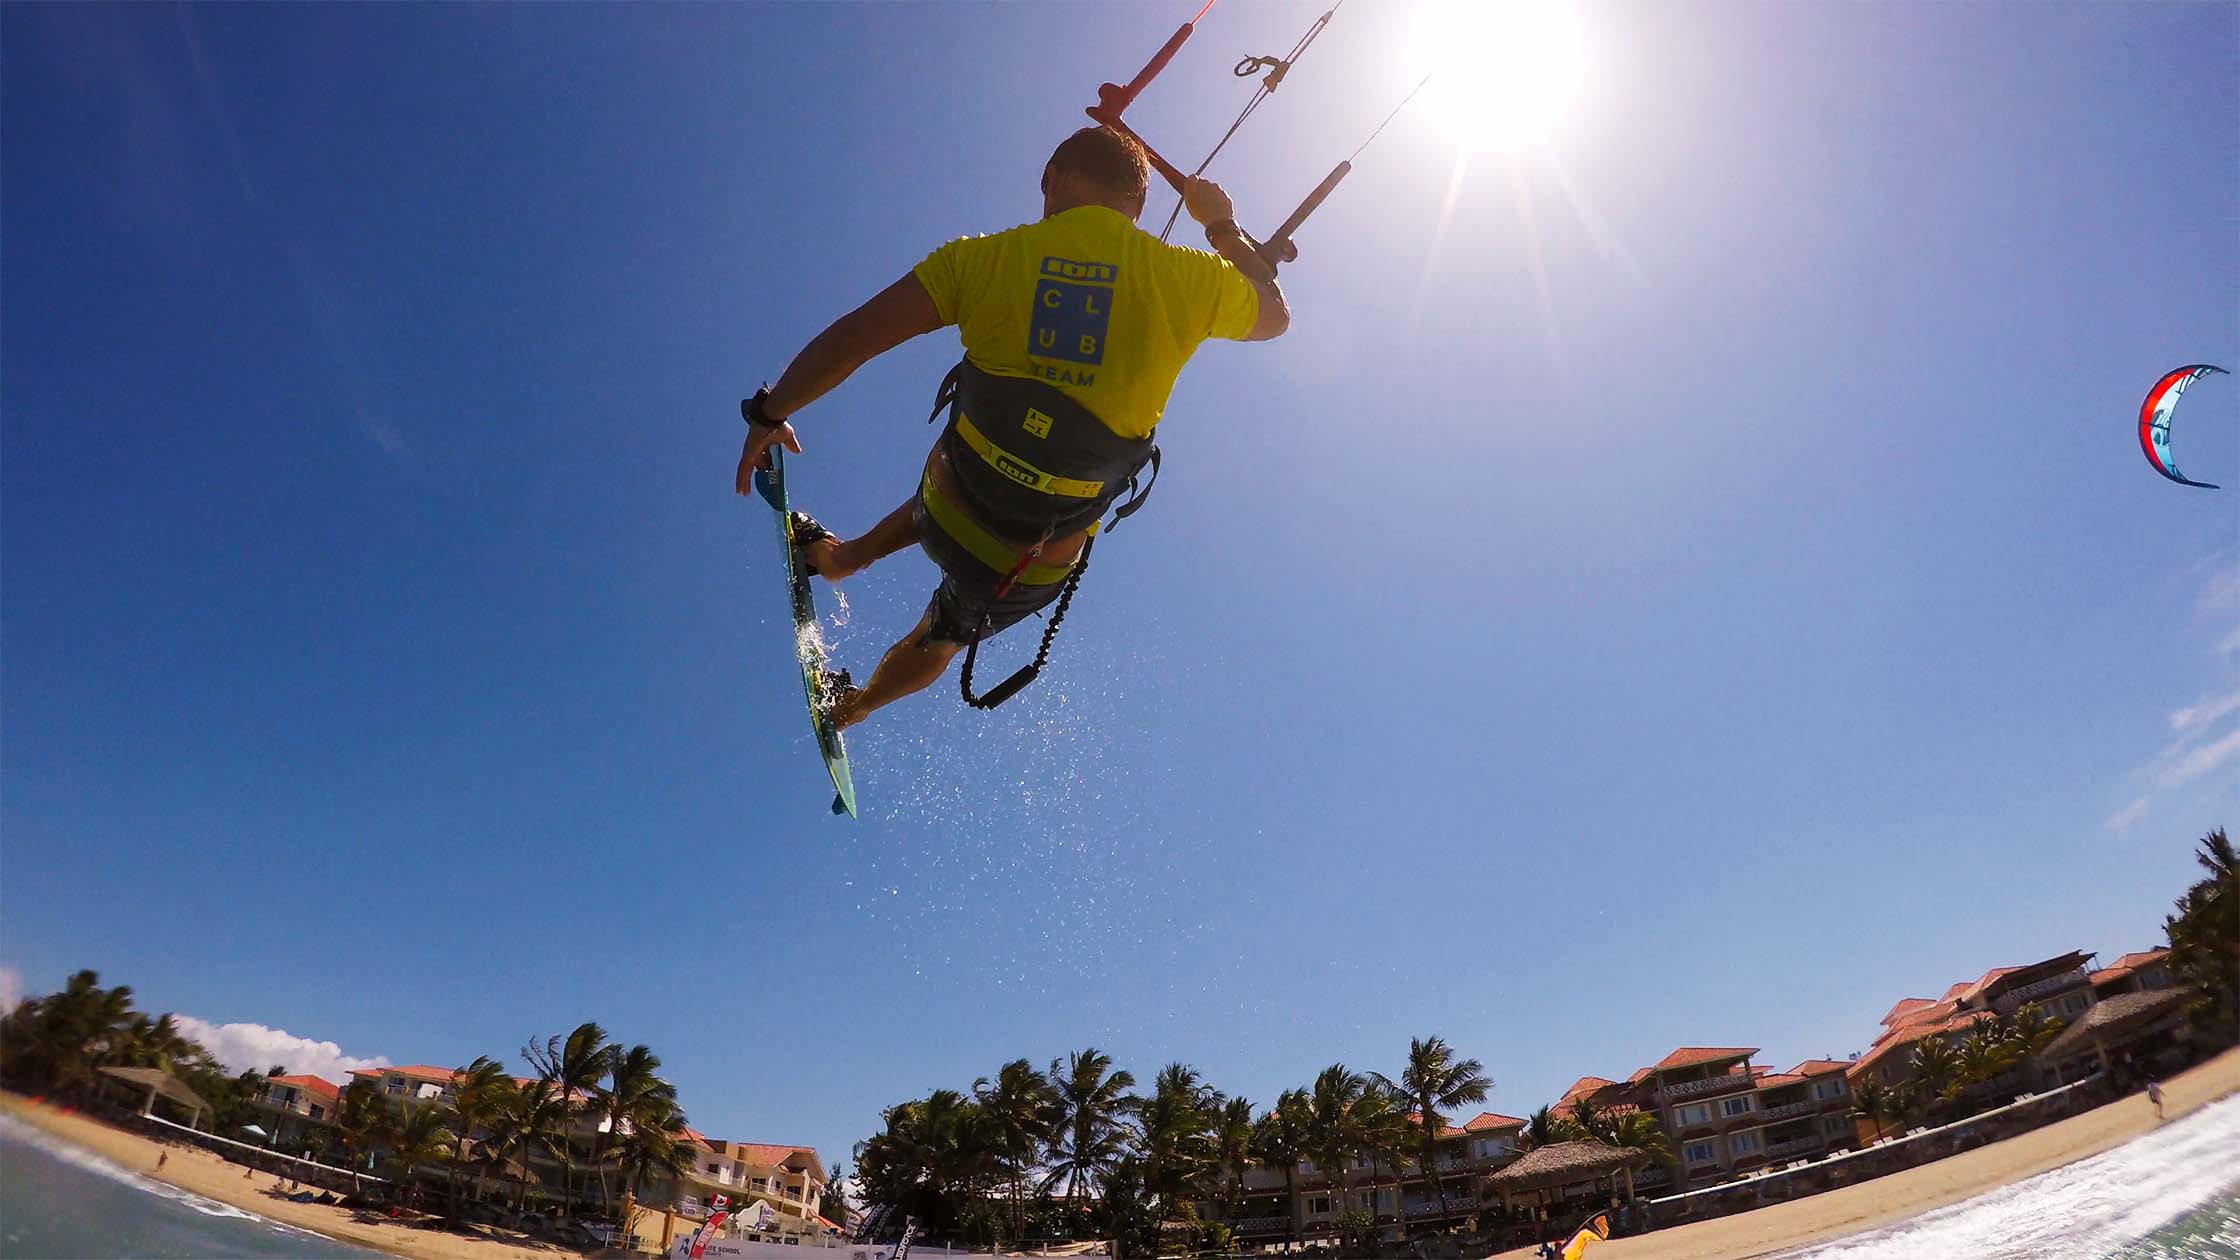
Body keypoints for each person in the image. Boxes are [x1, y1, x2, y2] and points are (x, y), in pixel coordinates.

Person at [734, 125, 1289, 729]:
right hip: (1027, 560)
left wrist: (770, 414)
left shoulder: (979, 258)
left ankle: (842, 559)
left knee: (972, 462)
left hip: (951, 501)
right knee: (943, 632)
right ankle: (855, 707)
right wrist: (1220, 224)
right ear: (1139, 204)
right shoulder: (1193, 278)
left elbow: (852, 340)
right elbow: (1275, 314)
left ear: (1054, 178)